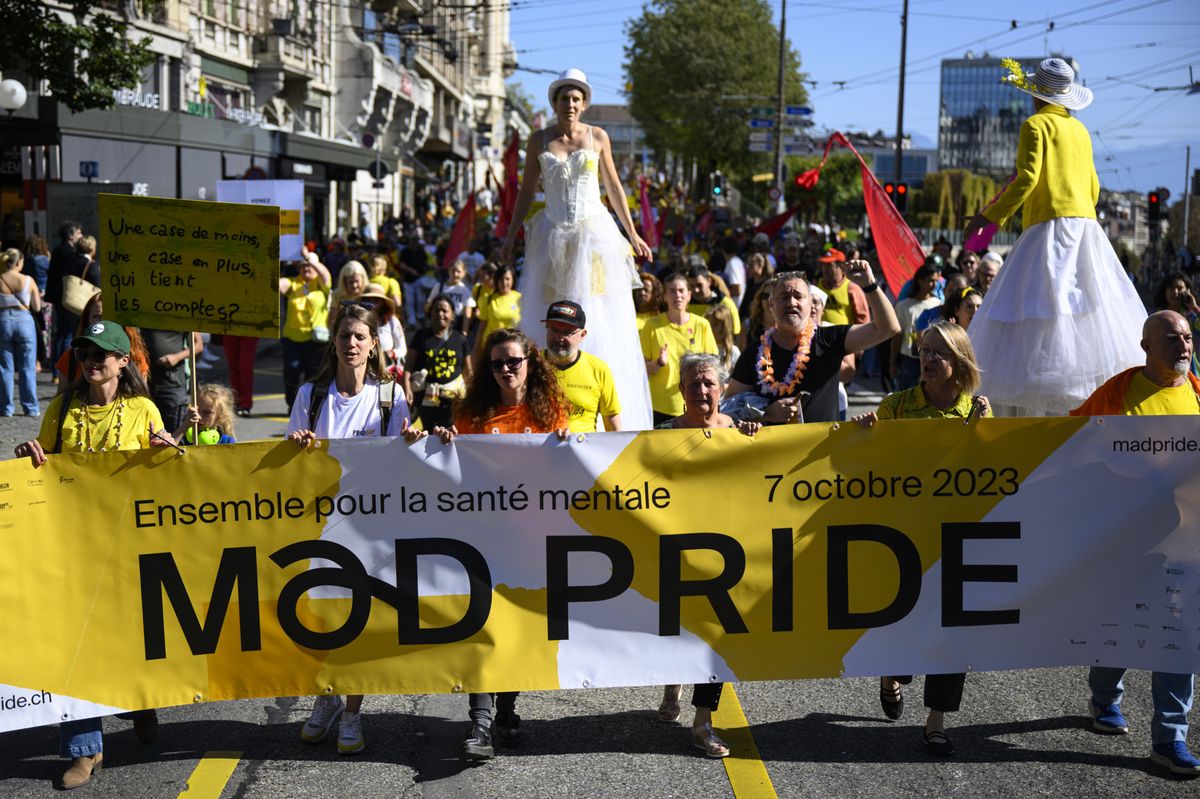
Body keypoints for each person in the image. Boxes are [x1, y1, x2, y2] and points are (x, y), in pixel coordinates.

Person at [13, 321, 172, 789]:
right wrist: (29, 455)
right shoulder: (62, 408)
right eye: (85, 353)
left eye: (102, 353)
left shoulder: (144, 410)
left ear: (124, 361)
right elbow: (38, 469)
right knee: (78, 648)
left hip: (129, 549)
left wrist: (173, 451)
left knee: (126, 643)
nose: (92, 360)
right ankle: (85, 750)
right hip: (73, 548)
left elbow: (169, 480)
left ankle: (139, 702)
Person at [411, 328, 568, 761]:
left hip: (533, 539)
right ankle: (479, 723)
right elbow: (451, 470)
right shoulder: (471, 416)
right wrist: (440, 445)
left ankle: (507, 710)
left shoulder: (552, 412)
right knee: (483, 628)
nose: (505, 370)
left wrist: (569, 446)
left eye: (513, 361)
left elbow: (569, 470)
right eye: (497, 363)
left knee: (518, 632)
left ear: (530, 364)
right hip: (482, 539)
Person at [964, 57, 1146, 416]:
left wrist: (988, 217)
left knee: (1040, 307)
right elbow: (1093, 188)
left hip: (1049, 228)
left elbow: (1027, 178)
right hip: (1086, 229)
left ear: (1036, 94)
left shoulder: (1035, 125)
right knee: (1083, 309)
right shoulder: (1079, 131)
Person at [852, 321, 991, 756]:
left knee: (951, 629)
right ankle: (892, 674)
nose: (929, 359)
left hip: (954, 537)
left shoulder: (976, 411)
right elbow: (872, 465)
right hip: (904, 535)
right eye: (925, 350)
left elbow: (992, 473)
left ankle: (936, 721)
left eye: (940, 353)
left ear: (960, 362)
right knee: (903, 619)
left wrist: (983, 433)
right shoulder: (896, 406)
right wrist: (864, 435)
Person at [1069, 310, 1199, 776]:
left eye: (1187, 337)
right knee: (1123, 626)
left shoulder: (1197, 391)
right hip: (1125, 539)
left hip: (1185, 542)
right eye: (1170, 339)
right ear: (1145, 347)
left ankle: (1170, 738)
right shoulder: (1117, 393)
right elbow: (1071, 442)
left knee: (1178, 636)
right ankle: (1104, 699)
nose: (1182, 345)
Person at [289, 301, 411, 756]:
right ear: (334, 343)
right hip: (322, 524)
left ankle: (354, 711)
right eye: (345, 336)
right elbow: (288, 465)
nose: (352, 344)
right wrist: (298, 446)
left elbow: (402, 460)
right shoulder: (310, 396)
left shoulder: (390, 397)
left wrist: (413, 440)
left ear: (374, 344)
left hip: (371, 527)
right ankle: (327, 698)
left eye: (361, 337)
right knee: (324, 619)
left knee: (360, 619)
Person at [500, 68, 653, 430]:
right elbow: (525, 192)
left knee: (596, 313)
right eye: (563, 98)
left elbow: (613, 187)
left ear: (584, 104)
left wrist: (632, 233)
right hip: (551, 235)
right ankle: (543, 402)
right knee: (549, 312)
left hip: (592, 235)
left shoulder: (597, 136)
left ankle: (600, 407)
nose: (569, 104)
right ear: (554, 103)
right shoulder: (538, 140)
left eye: (575, 98)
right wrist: (510, 236)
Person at [655, 352, 760, 758]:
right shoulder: (662, 434)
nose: (702, 390)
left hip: (723, 556)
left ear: (722, 388)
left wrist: (756, 440)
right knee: (677, 628)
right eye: (694, 384)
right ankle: (671, 682)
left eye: (709, 383)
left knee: (715, 635)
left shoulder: (738, 430)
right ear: (681, 391)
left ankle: (703, 721)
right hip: (675, 550)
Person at [725, 266, 900, 424]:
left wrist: (870, 285)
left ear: (811, 304)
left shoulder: (830, 339)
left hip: (822, 453)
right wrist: (766, 414)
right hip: (774, 455)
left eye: (798, 297)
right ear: (771, 305)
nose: (791, 303)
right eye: (784, 297)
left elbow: (888, 328)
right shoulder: (754, 354)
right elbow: (728, 411)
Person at [640, 273, 718, 426]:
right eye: (672, 291)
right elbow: (641, 372)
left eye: (681, 290)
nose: (677, 295)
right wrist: (658, 363)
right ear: (664, 296)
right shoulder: (651, 325)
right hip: (661, 406)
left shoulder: (702, 325)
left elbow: (714, 366)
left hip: (696, 403)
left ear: (689, 295)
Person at [542, 300, 622, 432]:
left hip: (582, 450)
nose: (558, 337)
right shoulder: (531, 365)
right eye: (553, 330)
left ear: (582, 335)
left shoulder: (598, 369)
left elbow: (614, 427)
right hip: (539, 449)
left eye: (567, 332)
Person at [404, 295, 472, 430]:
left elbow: (468, 370)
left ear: (452, 315)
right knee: (425, 436)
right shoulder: (420, 336)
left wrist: (469, 395)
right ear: (430, 314)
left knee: (451, 436)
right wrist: (407, 387)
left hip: (453, 402)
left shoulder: (460, 339)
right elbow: (409, 365)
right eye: (436, 310)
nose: (440, 313)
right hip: (425, 400)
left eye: (444, 311)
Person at [278, 255, 332, 411]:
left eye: (310, 266)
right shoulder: (294, 283)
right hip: (292, 339)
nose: (307, 268)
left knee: (314, 375)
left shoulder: (321, 284)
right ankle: (292, 405)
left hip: (316, 341)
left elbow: (326, 275)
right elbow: (278, 284)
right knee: (291, 374)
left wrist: (310, 259)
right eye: (303, 265)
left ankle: (311, 407)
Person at [0, 248, 42, 416]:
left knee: (5, 367)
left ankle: (6, 408)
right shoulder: (28, 280)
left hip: (3, 321)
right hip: (24, 321)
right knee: (27, 367)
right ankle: (30, 407)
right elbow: (37, 307)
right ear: (18, 262)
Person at [892, 258, 944, 391]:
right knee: (908, 397)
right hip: (910, 360)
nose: (933, 284)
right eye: (930, 281)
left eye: (935, 281)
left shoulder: (937, 304)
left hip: (933, 358)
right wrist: (892, 361)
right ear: (920, 281)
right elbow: (898, 335)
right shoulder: (904, 306)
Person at [142, 328, 204, 434]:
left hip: (172, 384)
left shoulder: (179, 314)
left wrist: (176, 357)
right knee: (148, 430)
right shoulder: (147, 313)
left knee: (174, 431)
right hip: (146, 382)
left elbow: (198, 346)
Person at [46, 220, 82, 362]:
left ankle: (58, 366)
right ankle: (61, 365)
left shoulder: (59, 250)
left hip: (59, 296)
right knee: (65, 333)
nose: (81, 236)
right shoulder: (68, 252)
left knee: (62, 331)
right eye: (78, 233)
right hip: (65, 296)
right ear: (70, 236)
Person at [1153, 272, 1199, 376]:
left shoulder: (1192, 317)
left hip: (1188, 369)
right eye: (1171, 288)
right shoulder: (1156, 317)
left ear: (1187, 291)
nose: (1175, 292)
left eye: (1180, 288)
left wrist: (1195, 308)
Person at [816, 248, 870, 327]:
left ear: (841, 266)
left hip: (845, 337)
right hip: (821, 337)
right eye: (823, 265)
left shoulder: (852, 288)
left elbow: (863, 319)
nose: (825, 269)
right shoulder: (816, 286)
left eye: (829, 265)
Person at [174, 382, 238, 445]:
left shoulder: (227, 442)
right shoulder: (186, 437)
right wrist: (185, 425)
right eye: (197, 409)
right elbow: (168, 450)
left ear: (221, 417)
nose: (198, 415)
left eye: (206, 412)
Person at [476, 264, 521, 349]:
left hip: (513, 346)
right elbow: (481, 327)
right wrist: (477, 348)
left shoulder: (520, 298)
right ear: (496, 280)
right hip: (491, 346)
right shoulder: (488, 298)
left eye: (507, 279)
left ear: (513, 280)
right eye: (501, 279)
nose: (504, 282)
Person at [687, 266, 741, 336]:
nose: (696, 290)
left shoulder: (726, 304)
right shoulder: (686, 306)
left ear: (709, 281)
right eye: (691, 286)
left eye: (699, 285)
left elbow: (735, 333)